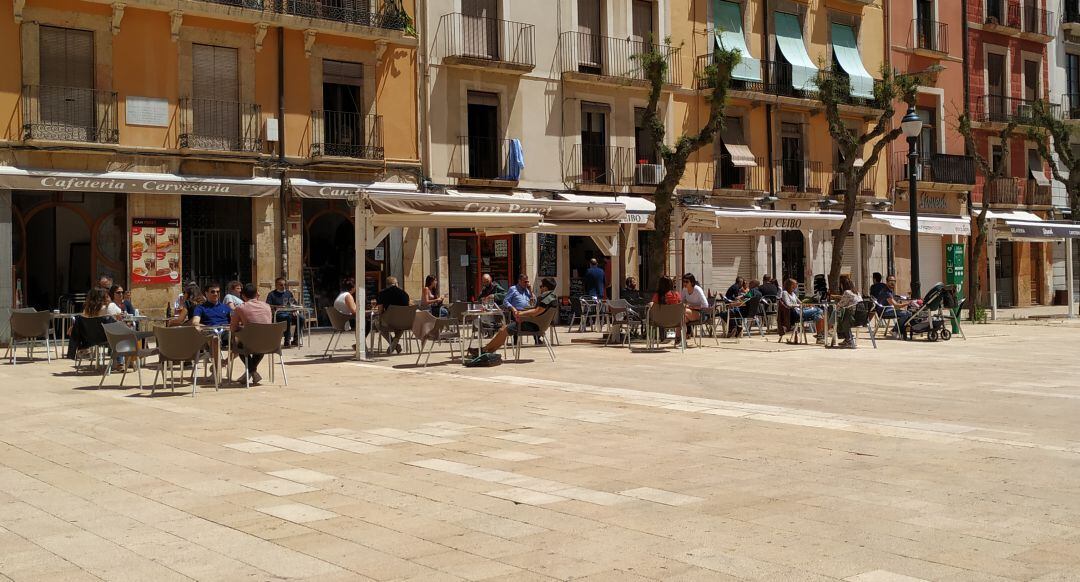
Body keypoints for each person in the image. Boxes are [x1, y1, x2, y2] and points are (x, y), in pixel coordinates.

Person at [477, 277, 558, 356]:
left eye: (541, 286)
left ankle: (484, 350)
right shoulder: (552, 297)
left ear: (545, 288)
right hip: (535, 323)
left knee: (503, 331)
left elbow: (535, 312)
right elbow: (536, 311)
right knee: (503, 330)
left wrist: (520, 314)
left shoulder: (547, 299)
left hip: (533, 325)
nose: (540, 288)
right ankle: (487, 351)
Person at [230, 283, 272, 385]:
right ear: (257, 294)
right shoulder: (267, 306)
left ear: (243, 296)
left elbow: (233, 327)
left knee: (238, 345)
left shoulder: (240, 307)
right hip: (269, 343)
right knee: (259, 346)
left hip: (250, 342)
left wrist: (242, 327)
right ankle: (252, 372)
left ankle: (252, 371)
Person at [780, 278, 824, 342]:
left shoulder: (793, 294)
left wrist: (806, 305)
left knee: (818, 315)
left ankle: (820, 337)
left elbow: (800, 303)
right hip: (794, 313)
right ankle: (823, 333)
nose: (796, 287)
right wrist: (799, 305)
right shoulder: (785, 293)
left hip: (800, 311)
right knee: (818, 310)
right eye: (794, 285)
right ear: (790, 285)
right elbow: (788, 304)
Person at [374, 276, 410, 353]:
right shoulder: (405, 294)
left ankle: (393, 343)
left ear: (387, 285)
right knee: (401, 325)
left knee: (377, 323)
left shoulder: (382, 293)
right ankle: (395, 343)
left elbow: (380, 311)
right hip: (403, 323)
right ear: (396, 284)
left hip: (389, 322)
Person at [266, 277, 304, 347]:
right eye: (281, 285)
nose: (283, 286)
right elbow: (268, 305)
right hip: (278, 314)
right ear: (276, 285)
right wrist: (278, 307)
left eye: (284, 285)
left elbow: (294, 304)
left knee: (301, 318)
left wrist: (295, 309)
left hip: (289, 313)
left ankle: (296, 340)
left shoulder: (288, 293)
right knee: (287, 318)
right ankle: (287, 340)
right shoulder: (271, 294)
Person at [834, 277, 863, 349]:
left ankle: (848, 338)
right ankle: (847, 338)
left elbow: (840, 305)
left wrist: (836, 308)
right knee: (843, 315)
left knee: (838, 316)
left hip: (853, 320)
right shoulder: (857, 293)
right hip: (862, 319)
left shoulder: (847, 292)